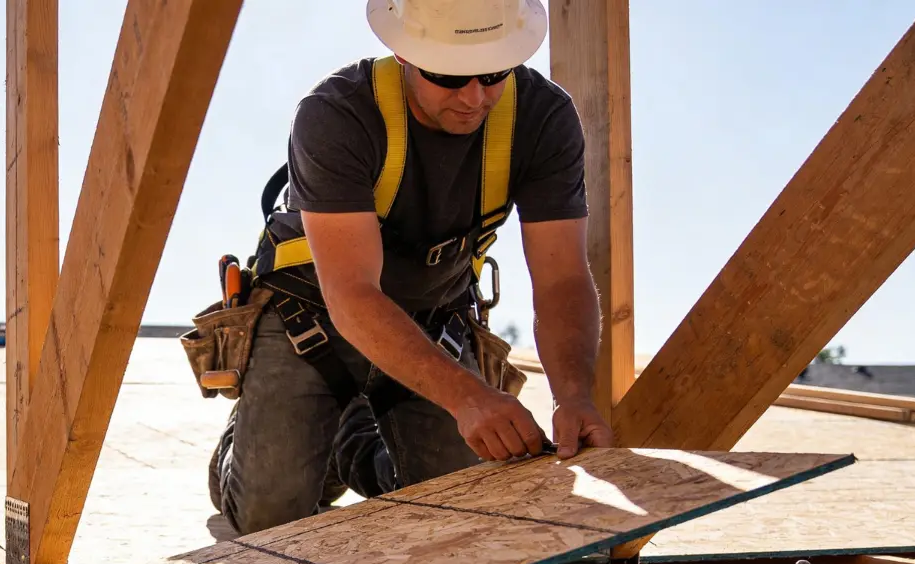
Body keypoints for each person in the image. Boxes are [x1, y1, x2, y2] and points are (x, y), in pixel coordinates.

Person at [210, 0, 613, 536]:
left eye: (494, 73)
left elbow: (563, 278)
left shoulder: (543, 117)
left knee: (462, 506)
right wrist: (468, 397)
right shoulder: (337, 113)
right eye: (449, 76)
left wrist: (574, 396)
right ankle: (248, 442)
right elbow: (352, 294)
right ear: (403, 53)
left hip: (433, 322)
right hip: (308, 322)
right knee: (269, 516)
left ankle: (345, 446)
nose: (475, 97)